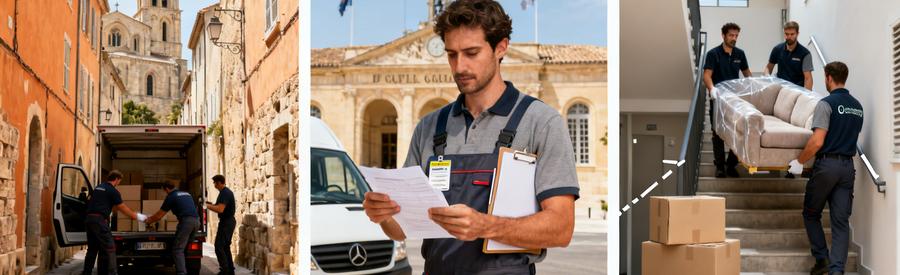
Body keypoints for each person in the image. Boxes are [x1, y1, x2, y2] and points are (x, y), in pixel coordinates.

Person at [362, 1, 579, 274]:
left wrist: (485, 226)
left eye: (471, 53)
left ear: (501, 47)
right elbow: (400, 229)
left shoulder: (541, 122)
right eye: (452, 54)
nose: (459, 66)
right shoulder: (429, 127)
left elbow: (561, 228)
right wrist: (383, 215)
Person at [788, 61, 863, 275]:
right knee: (840, 222)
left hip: (827, 165)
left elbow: (817, 141)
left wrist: (799, 162)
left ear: (829, 77)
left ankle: (822, 259)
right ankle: (836, 271)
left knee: (811, 213)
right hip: (847, 168)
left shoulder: (825, 104)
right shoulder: (857, 107)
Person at [703, 22, 752, 178]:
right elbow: (707, 75)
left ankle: (731, 165)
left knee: (737, 132)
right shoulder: (713, 54)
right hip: (718, 99)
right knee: (718, 133)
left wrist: (752, 89)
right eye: (731, 35)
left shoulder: (740, 54)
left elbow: (747, 75)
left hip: (735, 100)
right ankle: (720, 167)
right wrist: (712, 89)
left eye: (736, 35)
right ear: (723, 35)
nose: (734, 38)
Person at [83, 170, 147, 275]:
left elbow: (99, 202)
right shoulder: (113, 191)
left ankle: (87, 272)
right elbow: (122, 208)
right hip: (99, 220)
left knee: (92, 249)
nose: (119, 183)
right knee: (110, 247)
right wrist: (138, 216)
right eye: (119, 181)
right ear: (117, 179)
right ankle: (113, 273)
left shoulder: (98, 187)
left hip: (89, 220)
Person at [145, 179, 200, 275]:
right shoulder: (187, 194)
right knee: (186, 248)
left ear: (166, 189)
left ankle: (181, 272)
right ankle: (186, 269)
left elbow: (159, 216)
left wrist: (148, 220)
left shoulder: (171, 196)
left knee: (177, 249)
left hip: (186, 222)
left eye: (164, 190)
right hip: (196, 221)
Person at [766, 21, 814, 89]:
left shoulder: (805, 54)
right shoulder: (777, 49)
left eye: (792, 34)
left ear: (797, 34)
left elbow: (808, 78)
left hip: (797, 89)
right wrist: (767, 78)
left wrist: (807, 94)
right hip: (780, 88)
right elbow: (768, 68)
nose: (789, 37)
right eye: (787, 34)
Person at [206, 175, 236, 275]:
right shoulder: (223, 192)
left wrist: (207, 206)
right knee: (225, 247)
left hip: (227, 222)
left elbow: (220, 209)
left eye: (214, 183)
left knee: (219, 246)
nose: (214, 185)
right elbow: (218, 206)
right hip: (227, 222)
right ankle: (230, 270)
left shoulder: (225, 193)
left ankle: (225, 270)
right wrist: (210, 204)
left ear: (218, 182)